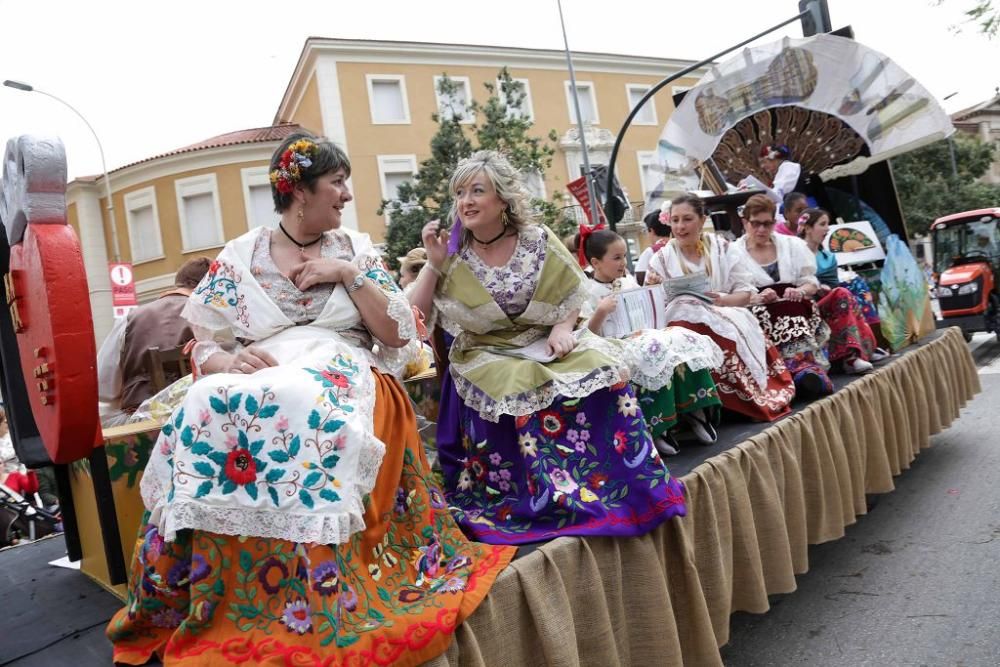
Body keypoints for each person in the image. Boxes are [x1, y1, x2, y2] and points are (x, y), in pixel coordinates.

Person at [106, 132, 513, 667]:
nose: (346, 194)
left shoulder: (353, 249)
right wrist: (225, 362)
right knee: (204, 402)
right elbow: (205, 343)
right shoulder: (241, 255)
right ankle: (210, 583)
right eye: (337, 182)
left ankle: (317, 581)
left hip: (339, 362)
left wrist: (347, 275)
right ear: (300, 190)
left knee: (300, 399)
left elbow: (396, 336)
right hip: (262, 366)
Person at [408, 150, 687, 545]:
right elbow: (413, 318)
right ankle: (545, 496)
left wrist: (561, 328)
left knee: (601, 363)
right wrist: (433, 265)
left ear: (502, 200)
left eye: (476, 191)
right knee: (518, 382)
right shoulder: (450, 251)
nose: (465, 202)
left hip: (545, 340)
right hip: (486, 353)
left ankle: (621, 481)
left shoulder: (536, 240)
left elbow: (572, 291)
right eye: (459, 193)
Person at [646, 193, 796, 422]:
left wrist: (722, 300)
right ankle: (698, 405)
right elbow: (653, 308)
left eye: (687, 219)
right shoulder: (662, 259)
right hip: (680, 322)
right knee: (681, 320)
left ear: (702, 219)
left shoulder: (722, 247)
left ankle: (733, 401)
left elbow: (745, 292)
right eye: (675, 220)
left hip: (724, 312)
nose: (680, 226)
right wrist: (655, 290)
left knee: (708, 327)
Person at [579, 227, 723, 455]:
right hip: (616, 345)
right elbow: (588, 336)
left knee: (681, 337)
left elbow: (645, 311)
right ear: (596, 263)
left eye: (624, 256)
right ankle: (659, 426)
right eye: (616, 258)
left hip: (644, 334)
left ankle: (697, 410)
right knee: (652, 351)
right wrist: (600, 312)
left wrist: (649, 290)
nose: (623, 262)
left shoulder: (627, 281)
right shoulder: (587, 291)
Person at [733, 194, 837, 396]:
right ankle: (795, 373)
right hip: (759, 312)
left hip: (797, 306)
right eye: (755, 224)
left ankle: (802, 371)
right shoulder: (733, 253)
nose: (762, 229)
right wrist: (757, 297)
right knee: (778, 311)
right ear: (745, 222)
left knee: (792, 307)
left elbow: (811, 282)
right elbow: (733, 293)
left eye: (767, 223)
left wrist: (799, 291)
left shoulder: (792, 245)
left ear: (774, 222)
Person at [97, 258, 211, 427]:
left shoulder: (129, 320)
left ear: (179, 283)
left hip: (144, 427)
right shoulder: (212, 318)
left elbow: (103, 387)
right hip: (201, 420)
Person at [797, 208, 880, 371]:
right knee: (843, 294)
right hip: (805, 305)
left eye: (827, 224)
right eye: (822, 224)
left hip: (827, 302)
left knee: (845, 293)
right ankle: (856, 354)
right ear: (807, 228)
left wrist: (827, 289)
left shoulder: (829, 257)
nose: (828, 229)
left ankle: (854, 353)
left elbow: (833, 284)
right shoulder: (794, 253)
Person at [635, 205, 672, 285]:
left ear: (651, 231)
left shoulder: (650, 252)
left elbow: (639, 279)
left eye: (646, 231)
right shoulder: (677, 247)